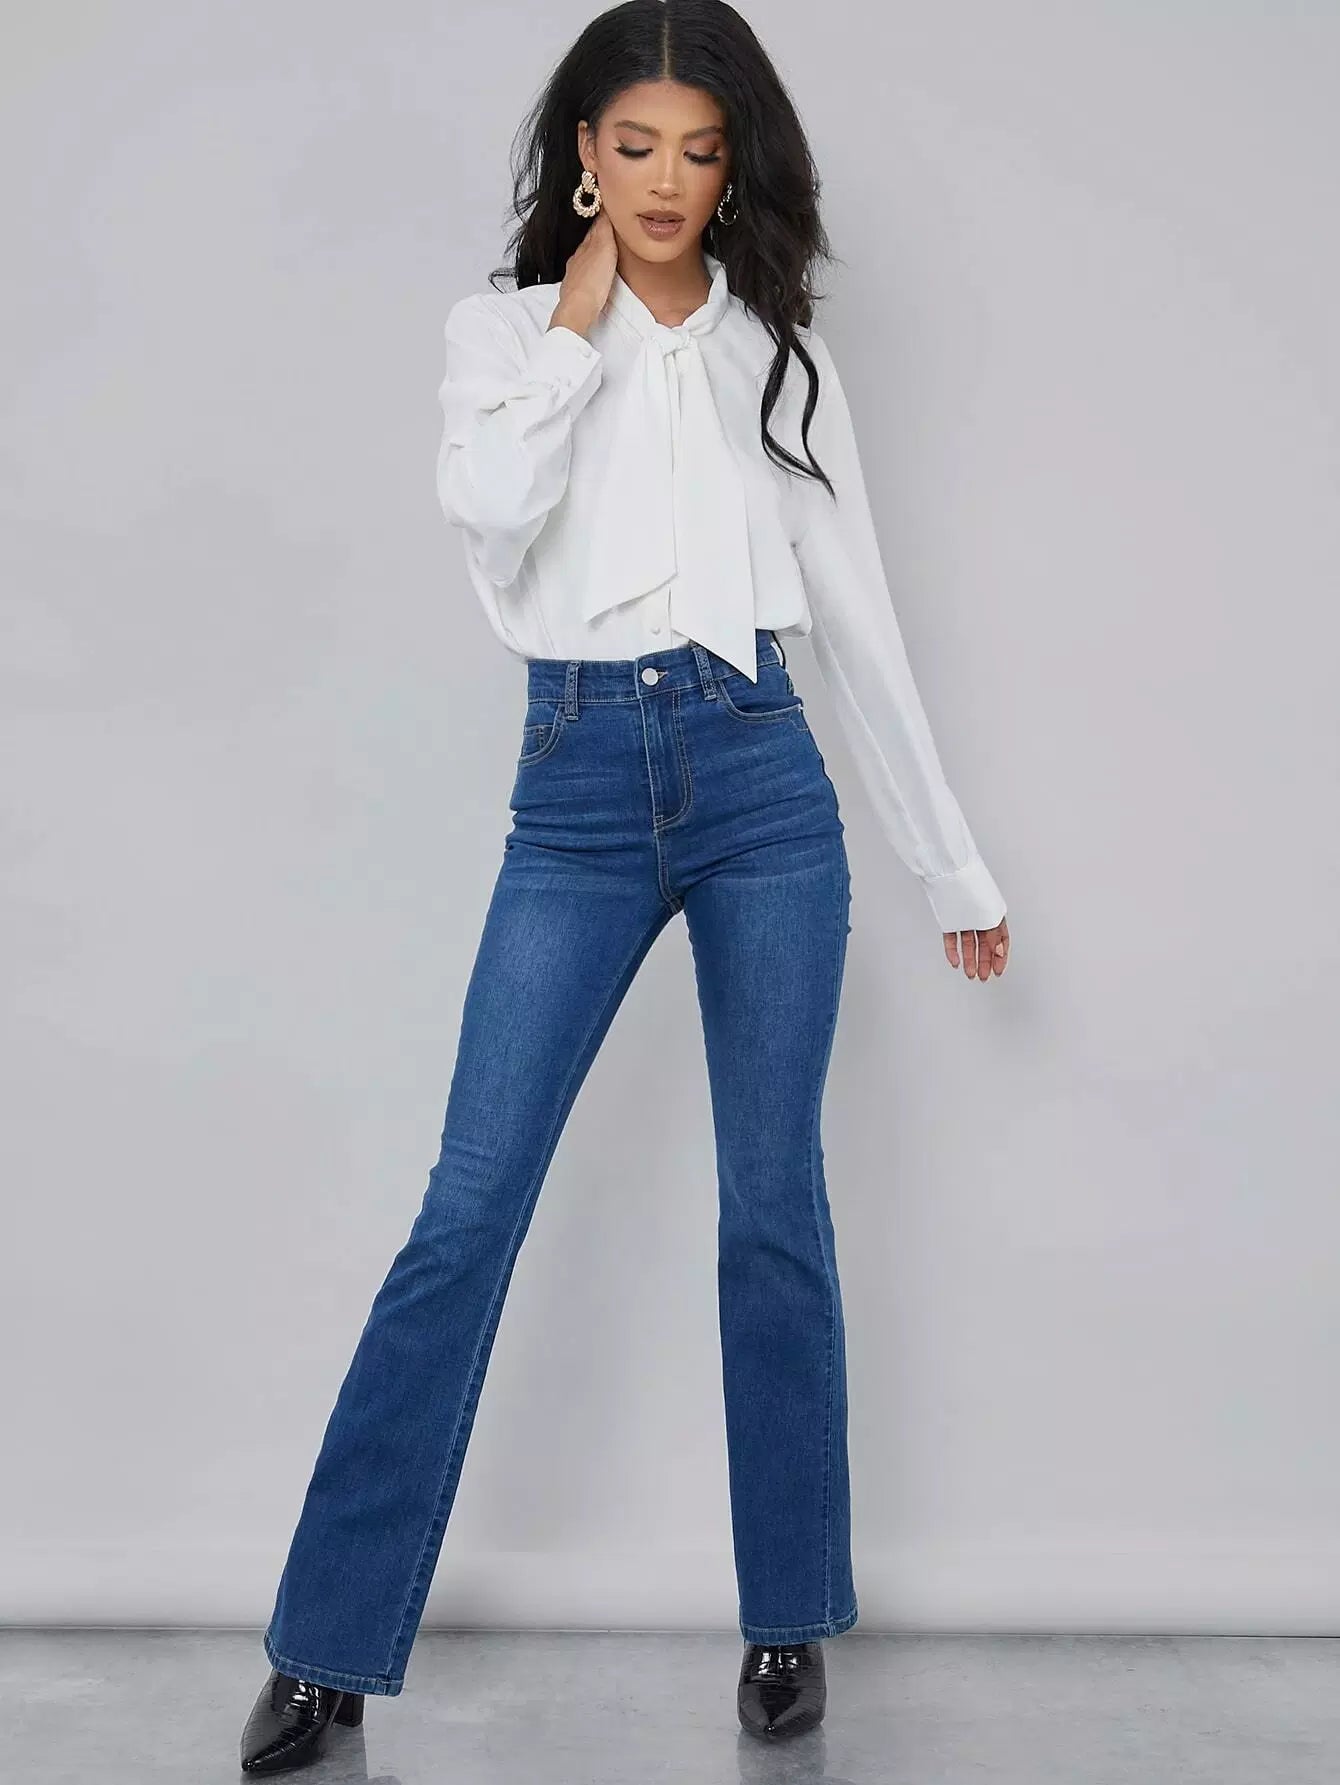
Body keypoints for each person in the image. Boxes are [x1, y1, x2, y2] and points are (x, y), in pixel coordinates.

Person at [239, 0, 1009, 1771]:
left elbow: (858, 612)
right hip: (577, 784)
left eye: (701, 151)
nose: (668, 180)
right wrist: (577, 331)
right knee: (468, 1207)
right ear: (585, 152)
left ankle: (786, 1621)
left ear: (736, 169)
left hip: (761, 781)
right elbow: (489, 514)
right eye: (637, 144)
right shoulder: (503, 336)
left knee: (771, 1206)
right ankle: (325, 1647)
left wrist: (946, 857)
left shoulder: (777, 356)